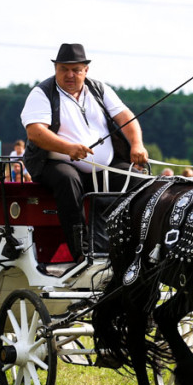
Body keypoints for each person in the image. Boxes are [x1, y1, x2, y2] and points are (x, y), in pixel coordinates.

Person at [20, 43, 148, 261]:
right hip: (54, 162)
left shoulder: (99, 89)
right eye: (64, 69)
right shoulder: (42, 92)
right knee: (67, 179)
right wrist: (67, 148)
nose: (70, 75)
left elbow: (126, 117)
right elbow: (35, 133)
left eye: (76, 70)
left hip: (103, 168)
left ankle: (135, 246)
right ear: (56, 69)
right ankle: (82, 252)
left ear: (85, 70)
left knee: (137, 180)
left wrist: (137, 144)